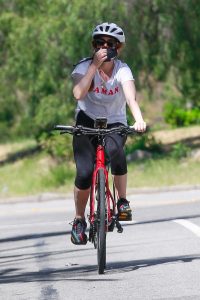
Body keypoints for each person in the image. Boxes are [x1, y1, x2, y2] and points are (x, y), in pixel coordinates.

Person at [70, 22, 146, 245]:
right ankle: (78, 220)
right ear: (93, 46)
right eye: (99, 43)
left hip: (114, 122)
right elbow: (77, 93)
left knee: (116, 152)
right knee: (84, 172)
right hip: (86, 122)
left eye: (110, 44)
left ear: (118, 48)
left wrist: (139, 119)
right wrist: (94, 66)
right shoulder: (84, 67)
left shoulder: (123, 69)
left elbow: (131, 98)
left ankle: (122, 201)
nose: (104, 47)